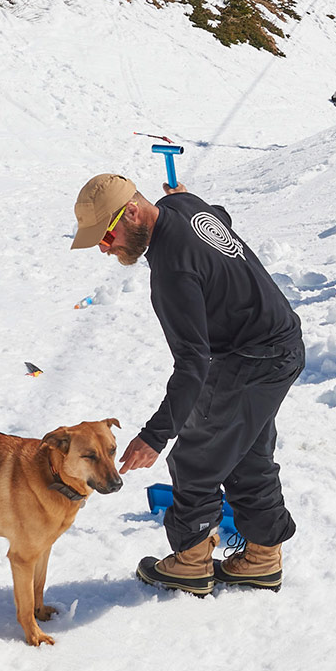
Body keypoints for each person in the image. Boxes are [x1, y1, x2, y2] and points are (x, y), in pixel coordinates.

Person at [72, 172, 305, 596]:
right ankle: (262, 558)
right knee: (245, 454)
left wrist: (155, 435)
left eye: (106, 236)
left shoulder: (172, 272)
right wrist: (190, 199)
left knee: (197, 457)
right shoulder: (182, 205)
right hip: (278, 344)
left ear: (133, 212)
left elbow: (192, 364)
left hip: (253, 359)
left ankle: (191, 563)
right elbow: (219, 217)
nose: (105, 249)